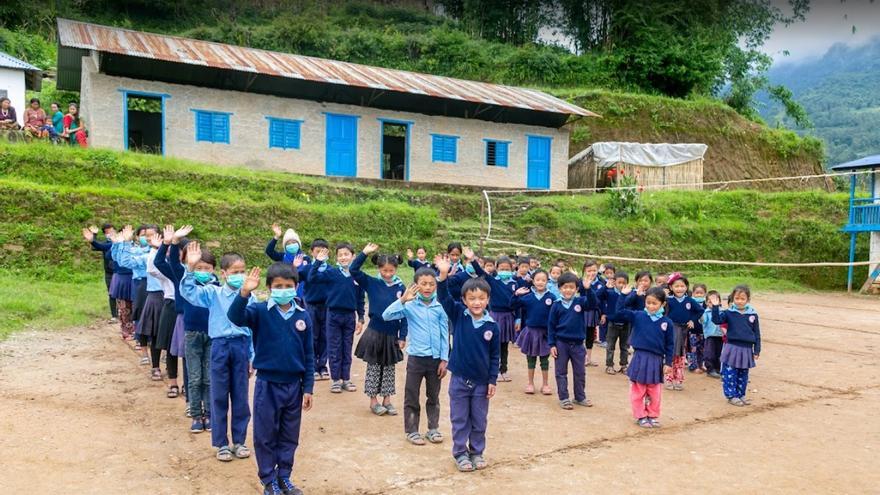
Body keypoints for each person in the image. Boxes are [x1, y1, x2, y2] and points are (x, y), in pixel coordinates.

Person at [227, 263, 314, 495]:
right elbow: (235, 317)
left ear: (296, 287)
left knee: (289, 435)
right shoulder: (259, 310)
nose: (283, 289)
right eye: (278, 286)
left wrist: (308, 387)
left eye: (288, 286)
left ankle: (284, 477)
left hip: (294, 387)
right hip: (267, 385)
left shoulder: (303, 315)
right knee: (265, 435)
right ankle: (269, 479)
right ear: (269, 287)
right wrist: (244, 293)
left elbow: (309, 354)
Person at [181, 242, 255, 462]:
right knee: (219, 395)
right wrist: (190, 268)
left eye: (242, 272)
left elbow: (251, 329)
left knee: (241, 396)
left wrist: (252, 355)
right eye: (234, 272)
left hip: (241, 346)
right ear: (223, 273)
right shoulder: (213, 293)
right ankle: (221, 443)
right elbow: (188, 292)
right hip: (220, 346)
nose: (239, 276)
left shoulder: (250, 295)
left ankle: (239, 441)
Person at [436, 254, 499, 473]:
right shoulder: (459, 316)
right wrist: (443, 275)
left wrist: (492, 380)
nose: (476, 302)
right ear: (464, 300)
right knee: (460, 418)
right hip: (460, 380)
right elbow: (443, 298)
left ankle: (477, 452)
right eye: (471, 299)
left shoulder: (492, 326)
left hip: (482, 383)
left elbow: (494, 356)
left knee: (479, 420)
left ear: (487, 299)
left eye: (481, 298)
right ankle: (460, 453)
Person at [382, 266, 449, 446]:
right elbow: (386, 315)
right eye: (423, 284)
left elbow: (445, 334)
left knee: (433, 396)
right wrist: (403, 300)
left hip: (435, 360)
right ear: (416, 285)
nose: (428, 287)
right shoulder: (409, 306)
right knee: (412, 395)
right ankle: (412, 431)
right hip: (416, 359)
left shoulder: (439, 307)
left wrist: (444, 359)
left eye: (431, 284)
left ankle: (433, 428)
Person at [351, 244, 408, 416]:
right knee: (374, 368)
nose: (388, 274)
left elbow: (405, 312)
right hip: (375, 332)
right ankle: (373, 401)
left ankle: (387, 400)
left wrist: (402, 335)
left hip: (392, 334)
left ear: (396, 269)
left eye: (391, 271)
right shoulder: (372, 282)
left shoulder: (401, 288)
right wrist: (364, 253)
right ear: (379, 268)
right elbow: (354, 269)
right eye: (384, 270)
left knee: (389, 369)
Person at [307, 242, 365, 393]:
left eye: (346, 254)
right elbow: (312, 278)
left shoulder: (356, 275)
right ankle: (336, 380)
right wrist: (318, 261)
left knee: (347, 347)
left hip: (349, 317)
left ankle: (346, 378)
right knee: (334, 347)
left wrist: (361, 317)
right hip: (333, 315)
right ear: (336, 258)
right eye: (340, 255)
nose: (343, 257)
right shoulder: (332, 272)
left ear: (353, 256)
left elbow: (360, 299)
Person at [615, 286, 675, 428]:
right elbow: (619, 312)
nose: (650, 306)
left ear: (663, 304)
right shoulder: (638, 316)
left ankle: (653, 415)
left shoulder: (667, 323)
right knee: (638, 390)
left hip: (657, 360)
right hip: (640, 358)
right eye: (648, 302)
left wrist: (668, 363)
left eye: (654, 303)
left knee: (654, 391)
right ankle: (640, 415)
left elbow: (670, 345)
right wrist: (623, 296)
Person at [465, 248, 517, 382]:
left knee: (504, 345)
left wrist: (518, 318)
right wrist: (473, 259)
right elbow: (480, 272)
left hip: (508, 317)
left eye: (507, 268)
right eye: (502, 268)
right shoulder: (493, 281)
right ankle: (489, 369)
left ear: (512, 269)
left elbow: (519, 302)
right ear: (496, 268)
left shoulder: (514, 283)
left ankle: (503, 369)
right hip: (496, 316)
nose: (504, 270)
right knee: (491, 343)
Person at [548, 272, 598, 410]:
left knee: (580, 372)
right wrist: (552, 344)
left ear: (576, 289)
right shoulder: (556, 305)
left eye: (571, 287)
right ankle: (564, 398)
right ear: (559, 289)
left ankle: (579, 397)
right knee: (561, 372)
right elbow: (551, 326)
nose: (568, 290)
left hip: (577, 345)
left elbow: (593, 304)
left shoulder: (581, 302)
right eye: (564, 287)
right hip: (561, 344)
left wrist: (588, 289)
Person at [711, 285, 761, 407]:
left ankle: (741, 394)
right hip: (732, 347)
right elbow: (716, 320)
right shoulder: (729, 313)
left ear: (748, 299)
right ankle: (731, 396)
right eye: (737, 298)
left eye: (742, 298)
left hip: (747, 349)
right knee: (730, 373)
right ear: (733, 299)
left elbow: (757, 333)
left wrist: (757, 349)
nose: (739, 301)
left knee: (743, 374)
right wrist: (715, 306)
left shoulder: (752, 315)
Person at [512, 269, 556, 395]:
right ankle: (530, 383)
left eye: (543, 280)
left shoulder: (551, 297)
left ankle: (545, 384)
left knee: (544, 360)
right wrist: (516, 294)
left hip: (545, 333)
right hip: (530, 333)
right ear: (533, 281)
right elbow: (513, 305)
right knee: (530, 359)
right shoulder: (527, 297)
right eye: (538, 280)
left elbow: (555, 316)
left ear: (547, 281)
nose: (540, 282)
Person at [295, 238, 331, 381]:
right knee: (313, 336)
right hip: (311, 306)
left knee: (325, 336)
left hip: (327, 306)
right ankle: (313, 367)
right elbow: (294, 278)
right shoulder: (307, 268)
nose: (321, 255)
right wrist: (295, 267)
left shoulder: (330, 269)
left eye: (324, 252)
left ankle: (323, 366)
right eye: (318, 252)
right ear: (312, 253)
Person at [664, 273, 703, 390]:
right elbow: (660, 310)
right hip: (671, 330)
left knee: (681, 355)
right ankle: (669, 379)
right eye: (676, 286)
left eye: (682, 286)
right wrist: (663, 296)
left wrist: (692, 320)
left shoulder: (689, 300)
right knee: (670, 354)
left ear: (686, 287)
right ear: (671, 287)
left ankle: (678, 380)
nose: (679, 289)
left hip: (684, 331)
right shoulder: (668, 300)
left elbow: (700, 310)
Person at [82, 224, 119, 323]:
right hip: (109, 272)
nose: (110, 234)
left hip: (120, 273)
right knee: (111, 293)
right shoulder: (107, 244)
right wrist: (93, 236)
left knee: (122, 294)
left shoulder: (121, 243)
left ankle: (122, 313)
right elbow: (96, 247)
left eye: (111, 231)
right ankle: (114, 315)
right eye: (107, 232)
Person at [579, 260, 606, 367]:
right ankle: (579, 357)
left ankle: (588, 358)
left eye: (594, 270)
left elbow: (603, 300)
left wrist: (603, 313)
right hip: (583, 312)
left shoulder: (601, 283)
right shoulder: (581, 282)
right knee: (581, 335)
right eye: (589, 270)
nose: (592, 273)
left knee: (590, 336)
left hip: (594, 312)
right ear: (585, 271)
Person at [604, 271, 631, 375]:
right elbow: (600, 296)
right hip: (613, 324)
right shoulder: (610, 293)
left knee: (624, 346)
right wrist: (606, 287)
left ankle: (624, 365)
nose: (621, 285)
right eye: (619, 282)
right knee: (610, 346)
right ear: (614, 283)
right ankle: (609, 365)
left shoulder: (629, 295)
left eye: (624, 283)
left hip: (625, 324)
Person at [701, 290, 724, 379]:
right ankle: (710, 369)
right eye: (710, 301)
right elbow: (703, 321)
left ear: (720, 302)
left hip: (721, 336)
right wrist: (699, 314)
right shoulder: (705, 312)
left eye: (715, 301)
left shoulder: (722, 312)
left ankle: (717, 369)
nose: (712, 303)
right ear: (706, 302)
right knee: (709, 353)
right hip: (710, 336)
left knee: (719, 353)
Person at [688, 283, 708, 373]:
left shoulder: (707, 304)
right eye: (697, 293)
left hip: (704, 331)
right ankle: (694, 366)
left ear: (705, 293)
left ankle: (701, 364)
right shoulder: (690, 303)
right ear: (693, 293)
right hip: (693, 331)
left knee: (702, 349)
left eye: (701, 293)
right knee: (693, 349)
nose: (699, 295)